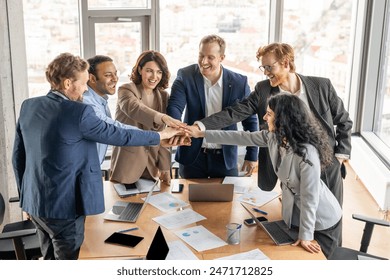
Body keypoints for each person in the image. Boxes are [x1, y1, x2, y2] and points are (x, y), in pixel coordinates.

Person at [11, 52, 184, 260]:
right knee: (70, 261)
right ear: (67, 83)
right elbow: (119, 134)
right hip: (65, 206)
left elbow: (18, 157)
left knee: (48, 257)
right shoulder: (79, 112)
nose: (86, 89)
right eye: (83, 83)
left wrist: (25, 198)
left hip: (35, 202)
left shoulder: (29, 106)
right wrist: (160, 136)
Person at [192, 42, 352, 206]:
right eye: (263, 68)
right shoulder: (263, 90)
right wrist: (199, 127)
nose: (266, 73)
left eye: (269, 67)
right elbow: (235, 112)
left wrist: (339, 157)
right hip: (290, 170)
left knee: (331, 215)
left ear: (285, 63)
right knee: (294, 218)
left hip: (325, 165)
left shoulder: (321, 86)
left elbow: (344, 121)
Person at [189, 94, 343, 258]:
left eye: (269, 113)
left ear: (283, 118)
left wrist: (306, 235)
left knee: (319, 262)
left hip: (322, 218)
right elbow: (241, 137)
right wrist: (202, 134)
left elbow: (310, 198)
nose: (264, 117)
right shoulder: (274, 137)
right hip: (297, 215)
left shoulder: (307, 153)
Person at [167, 34, 258, 179]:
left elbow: (250, 121)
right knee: (187, 200)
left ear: (222, 57)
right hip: (192, 156)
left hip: (225, 158)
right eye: (201, 56)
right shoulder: (185, 75)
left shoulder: (239, 83)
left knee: (228, 200)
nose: (204, 62)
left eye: (210, 57)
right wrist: (175, 129)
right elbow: (175, 107)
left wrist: (252, 155)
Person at [110, 50, 183, 186]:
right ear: (140, 69)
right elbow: (135, 109)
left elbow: (163, 137)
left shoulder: (163, 96)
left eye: (159, 72)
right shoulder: (126, 90)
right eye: (149, 71)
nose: (154, 76)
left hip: (151, 167)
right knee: (125, 206)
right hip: (127, 165)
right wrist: (163, 117)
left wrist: (165, 168)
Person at [83, 55, 139, 164]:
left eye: (115, 73)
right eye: (108, 75)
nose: (115, 79)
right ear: (92, 78)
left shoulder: (100, 100)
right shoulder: (87, 103)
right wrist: (159, 136)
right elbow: (115, 129)